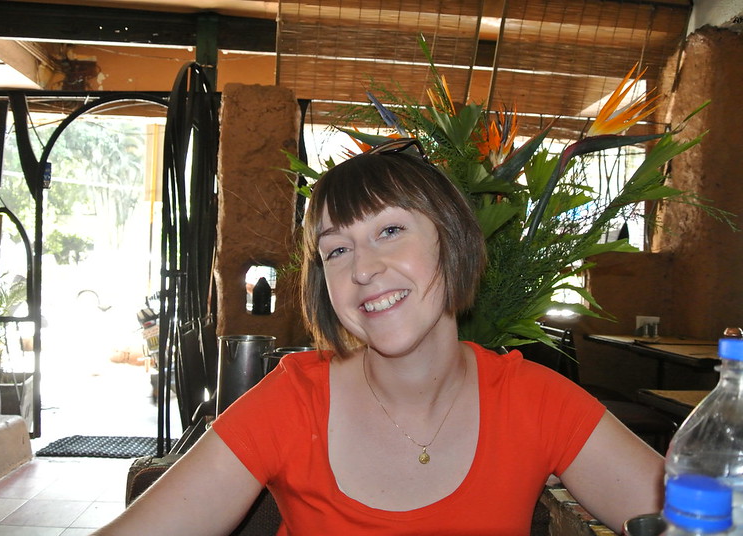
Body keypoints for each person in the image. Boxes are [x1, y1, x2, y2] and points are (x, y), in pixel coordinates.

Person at [93, 138, 664, 535]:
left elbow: (692, 520)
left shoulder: (533, 399)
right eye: (337, 250)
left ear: (451, 242)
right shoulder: (293, 402)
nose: (362, 269)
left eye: (390, 230)